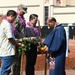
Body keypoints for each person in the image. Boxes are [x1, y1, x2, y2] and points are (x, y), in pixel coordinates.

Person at [0, 10, 23, 75]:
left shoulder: (3, 23)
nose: (14, 20)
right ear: (11, 16)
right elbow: (10, 38)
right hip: (8, 51)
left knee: (4, 70)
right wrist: (17, 44)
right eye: (14, 18)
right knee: (5, 71)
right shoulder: (7, 25)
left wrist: (18, 40)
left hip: (3, 50)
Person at [13, 4, 28, 75]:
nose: (24, 13)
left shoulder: (22, 18)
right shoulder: (16, 18)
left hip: (21, 40)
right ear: (19, 10)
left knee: (19, 60)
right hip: (17, 41)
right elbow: (14, 30)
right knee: (15, 61)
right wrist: (21, 37)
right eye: (23, 11)